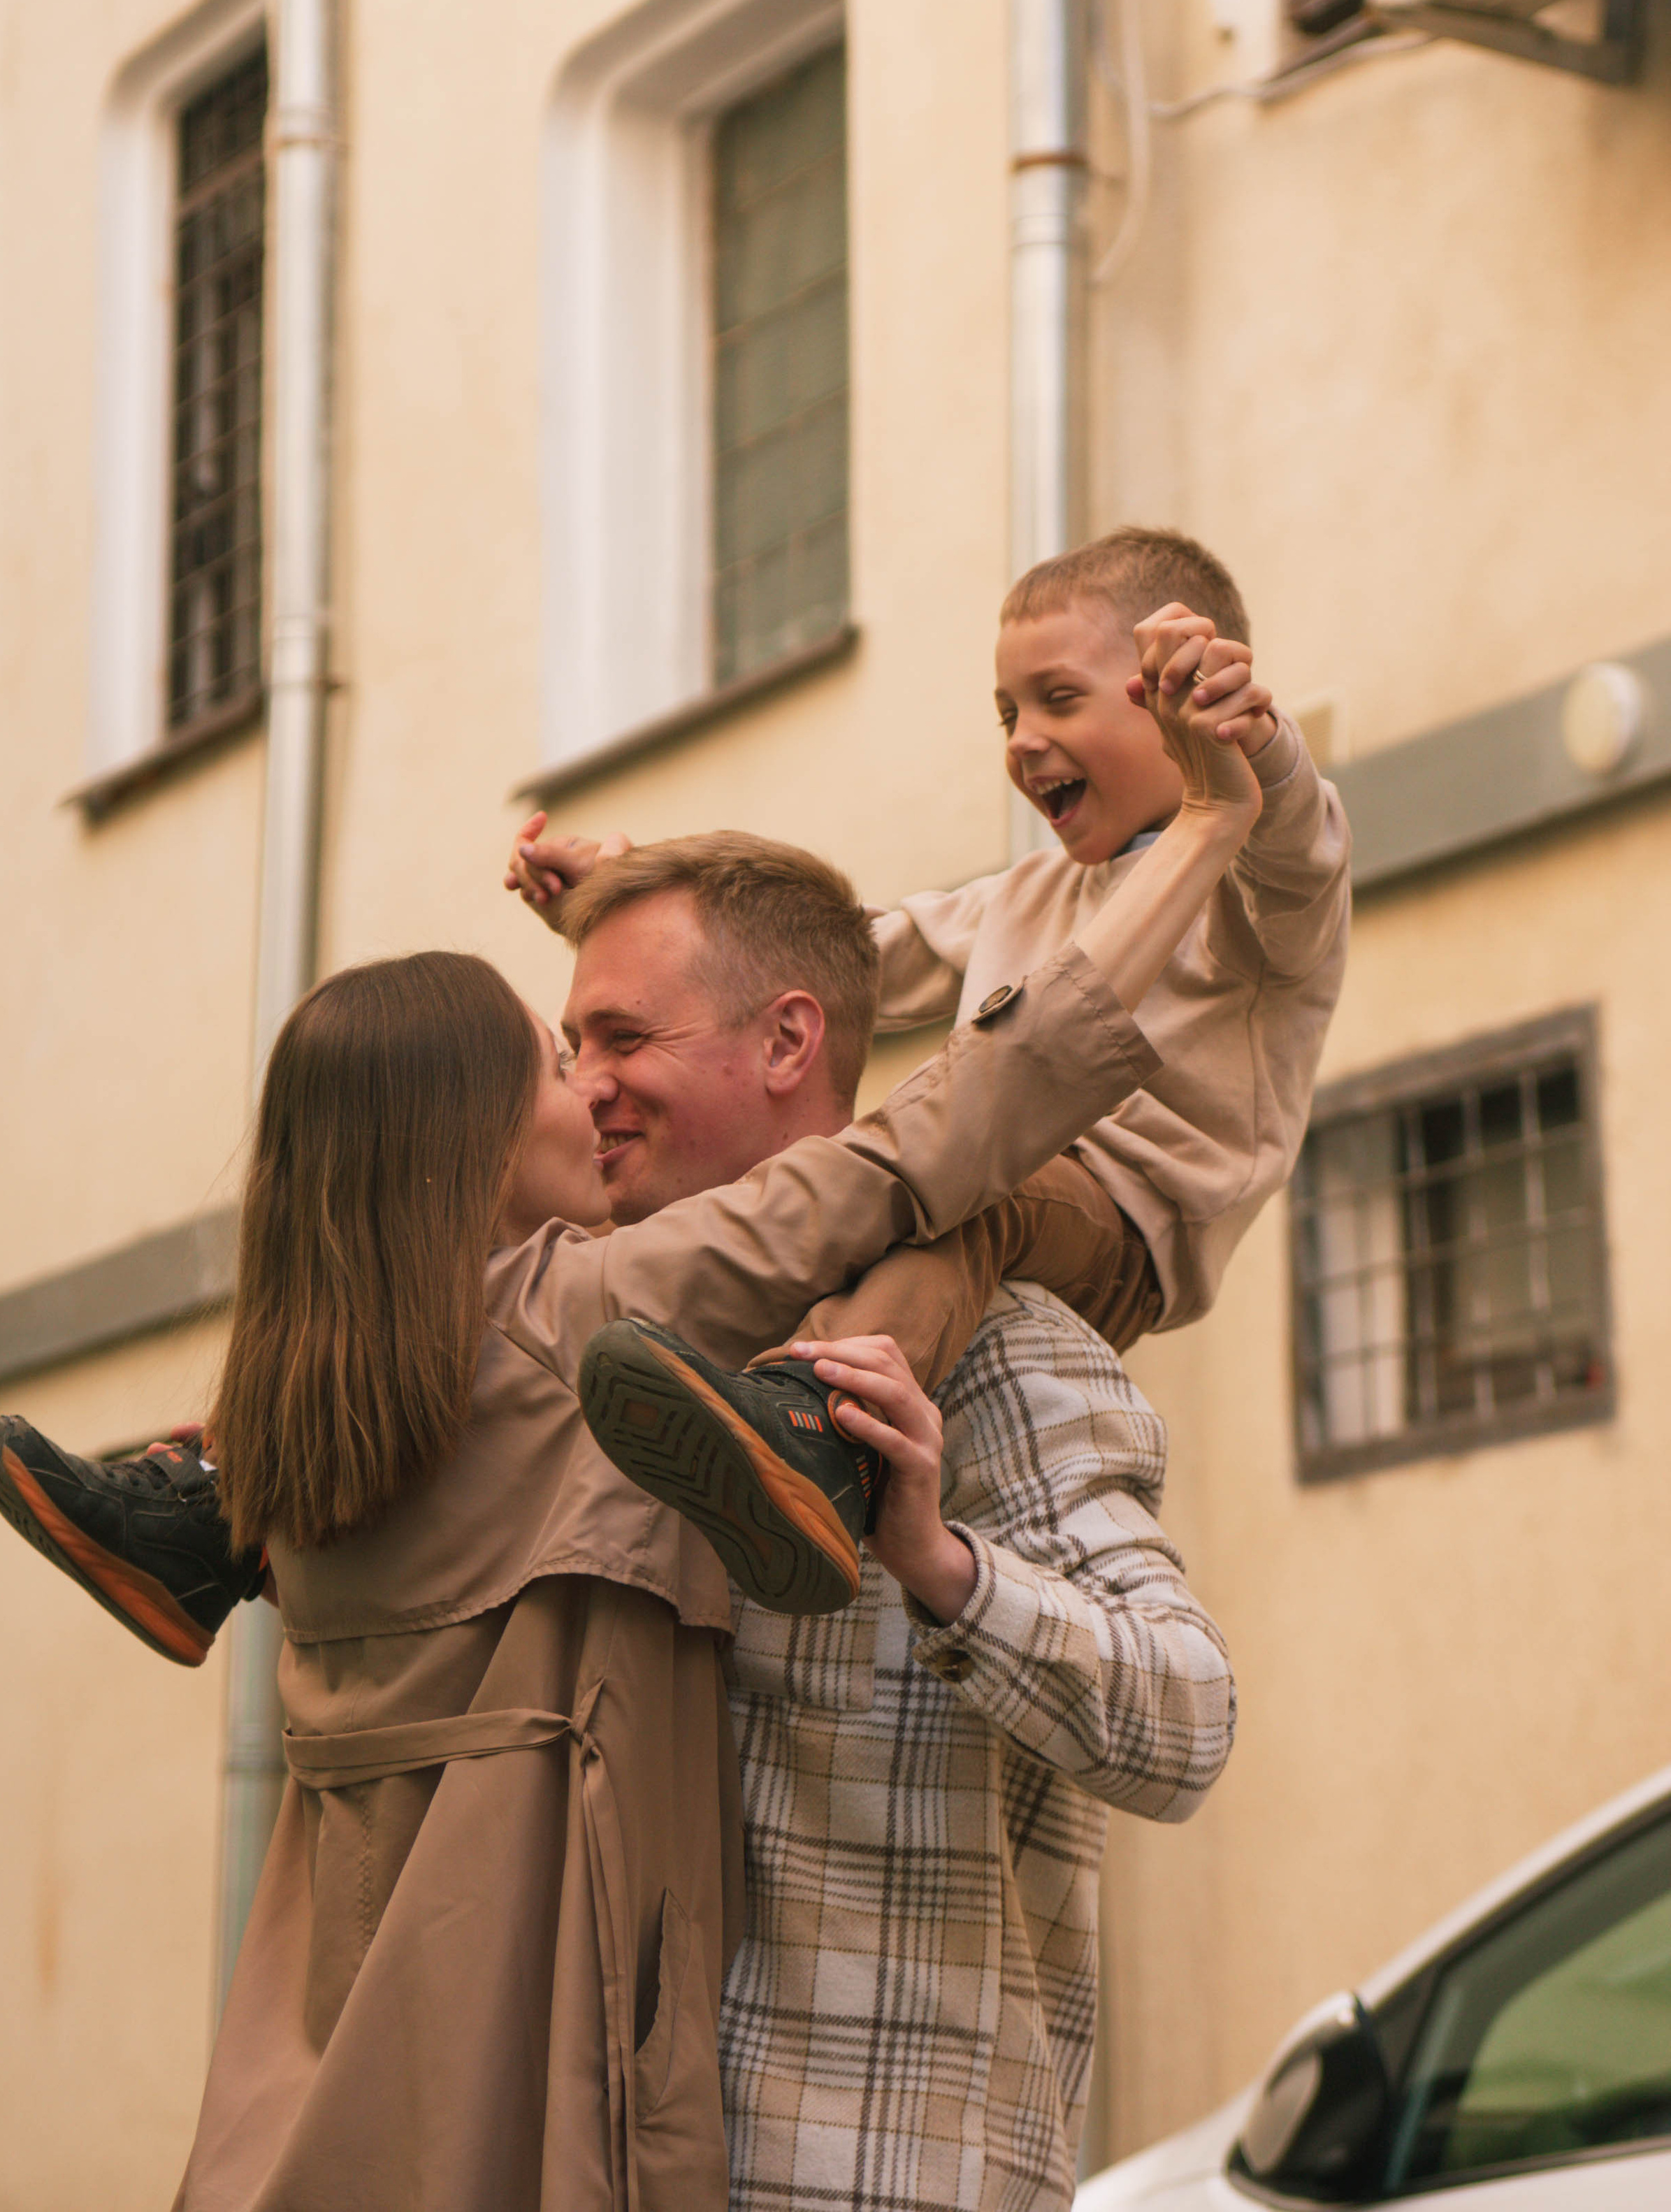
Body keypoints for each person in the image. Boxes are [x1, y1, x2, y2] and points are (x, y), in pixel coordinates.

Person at [0, 661, 1257, 2211]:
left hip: (836, 2171)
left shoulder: (990, 1366)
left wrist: (936, 1561)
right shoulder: (562, 1335)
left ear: (786, 1044)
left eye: (614, 1041)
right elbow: (931, 1128)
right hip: (590, 2151)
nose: (588, 1091)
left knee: (975, 1218)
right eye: (560, 1055)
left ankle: (199, 1505)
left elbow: (1183, 1722)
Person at [509, 529, 1350, 1595]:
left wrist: (1255, 748)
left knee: (967, 1192)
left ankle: (822, 1435)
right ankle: (754, 1408)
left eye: (1059, 699)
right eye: (1009, 714)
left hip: (1127, 1225)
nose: (1025, 740)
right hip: (1003, 1172)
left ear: (1173, 700)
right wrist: (626, 884)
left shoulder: (1247, 892)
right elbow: (836, 959)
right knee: (872, 1180)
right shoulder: (1022, 897)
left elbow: (1299, 859)